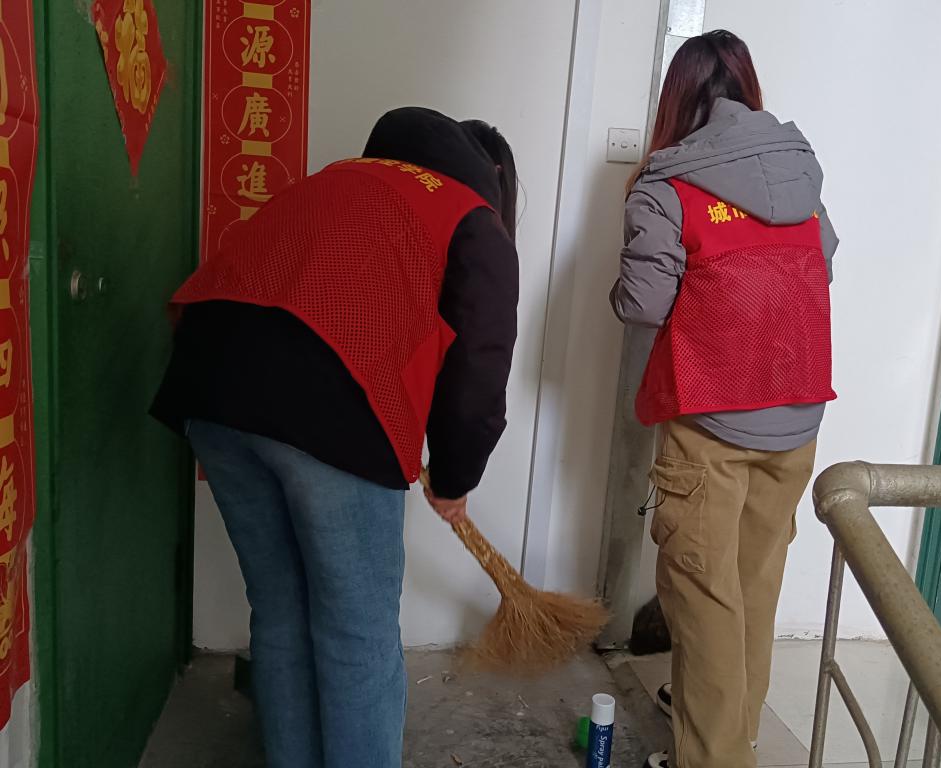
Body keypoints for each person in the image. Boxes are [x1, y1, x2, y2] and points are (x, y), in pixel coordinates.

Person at [151, 107, 519, 768]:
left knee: (281, 609)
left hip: (210, 391)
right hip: (330, 410)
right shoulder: (471, 218)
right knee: (357, 633)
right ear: (490, 175)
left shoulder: (339, 179)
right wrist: (455, 478)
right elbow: (479, 372)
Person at [610, 31, 838, 768]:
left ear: (676, 99)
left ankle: (712, 759)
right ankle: (734, 734)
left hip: (711, 419)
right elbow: (822, 262)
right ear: (747, 87)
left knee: (704, 597)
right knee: (753, 585)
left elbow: (643, 305)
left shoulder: (667, 184)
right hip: (796, 415)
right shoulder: (800, 169)